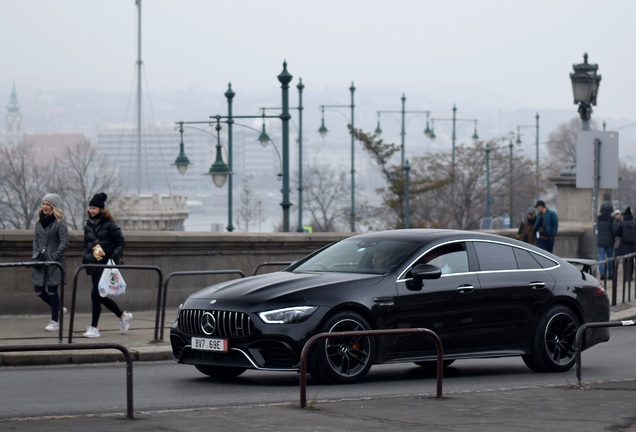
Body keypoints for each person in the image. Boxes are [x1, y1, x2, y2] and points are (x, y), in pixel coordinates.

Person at [82, 192, 132, 338]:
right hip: (93, 264)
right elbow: (88, 245)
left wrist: (112, 256)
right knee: (101, 296)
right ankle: (123, 316)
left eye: (94, 208)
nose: (91, 210)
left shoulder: (110, 225)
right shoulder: (88, 226)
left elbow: (121, 243)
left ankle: (94, 328)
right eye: (90, 208)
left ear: (101, 209)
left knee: (95, 294)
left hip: (105, 265)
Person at [31, 193, 69, 332]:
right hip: (40, 261)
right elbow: (36, 239)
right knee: (38, 290)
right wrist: (35, 254)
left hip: (54, 263)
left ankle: (55, 320)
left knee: (53, 290)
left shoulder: (60, 222)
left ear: (53, 206)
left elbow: (65, 242)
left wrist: (54, 256)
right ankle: (58, 308)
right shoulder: (39, 221)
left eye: (48, 204)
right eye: (43, 204)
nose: (45, 207)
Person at [597, 202, 615, 278]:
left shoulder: (598, 218)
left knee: (601, 257)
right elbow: (614, 230)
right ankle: (610, 273)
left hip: (601, 241)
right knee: (610, 258)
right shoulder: (611, 219)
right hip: (609, 241)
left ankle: (602, 273)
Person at [618, 207, 636, 282]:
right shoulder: (634, 223)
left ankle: (626, 276)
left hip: (624, 245)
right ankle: (630, 276)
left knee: (625, 261)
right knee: (631, 261)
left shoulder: (622, 223)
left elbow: (618, 233)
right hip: (633, 245)